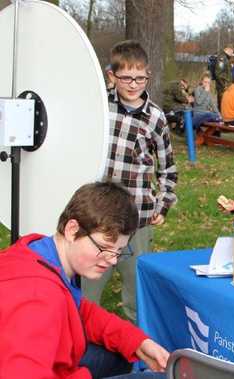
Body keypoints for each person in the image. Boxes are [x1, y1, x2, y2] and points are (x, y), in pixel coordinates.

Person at [0, 182, 169, 379]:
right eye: (105, 248)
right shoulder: (38, 298)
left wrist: (138, 342)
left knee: (122, 356)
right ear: (72, 230)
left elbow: (79, 310)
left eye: (119, 251)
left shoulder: (40, 253)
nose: (113, 260)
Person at [84, 40, 178, 323]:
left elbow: (168, 167)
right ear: (112, 76)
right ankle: (82, 335)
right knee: (88, 285)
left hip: (137, 215)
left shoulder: (156, 118)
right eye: (126, 77)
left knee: (135, 287)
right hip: (97, 212)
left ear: (148, 74)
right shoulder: (99, 108)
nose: (134, 84)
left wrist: (163, 204)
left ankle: (138, 345)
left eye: (140, 77)